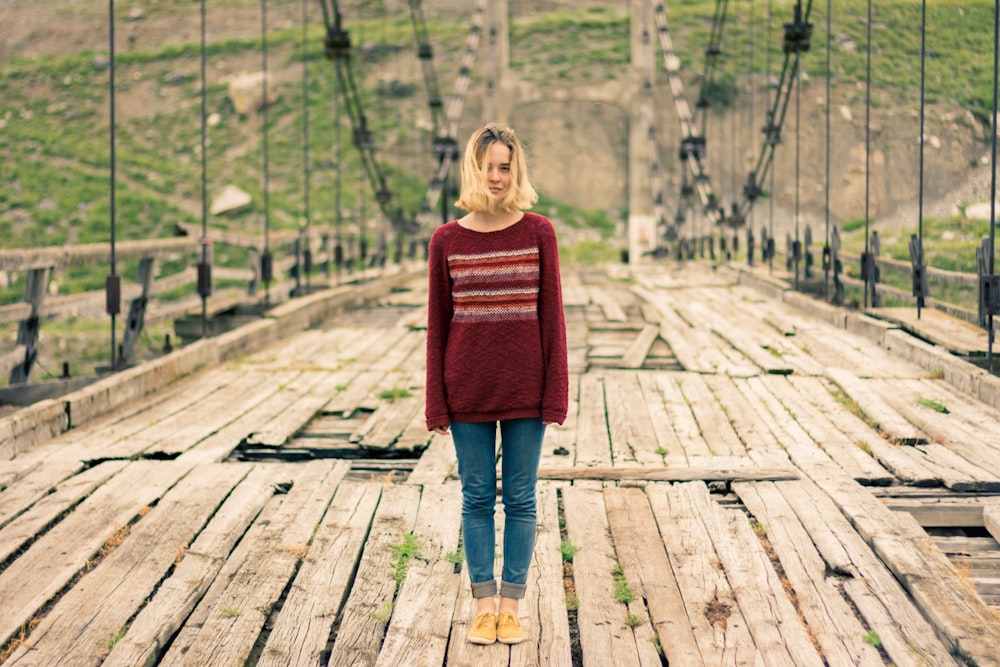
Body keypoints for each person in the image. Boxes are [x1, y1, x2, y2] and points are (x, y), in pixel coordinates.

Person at [425, 123, 569, 646]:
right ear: (472, 169)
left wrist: (556, 393)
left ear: (516, 171)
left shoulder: (539, 232)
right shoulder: (446, 240)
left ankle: (512, 607)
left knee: (523, 499)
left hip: (527, 390)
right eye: (487, 166)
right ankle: (483, 607)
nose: (496, 176)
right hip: (466, 391)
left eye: (505, 166)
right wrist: (435, 403)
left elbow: (552, 318)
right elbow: (437, 327)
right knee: (477, 497)